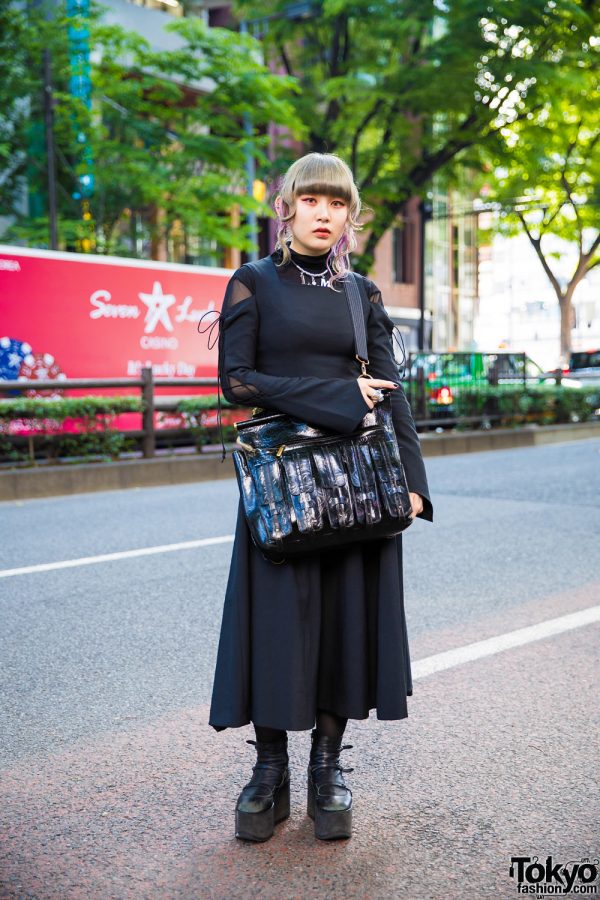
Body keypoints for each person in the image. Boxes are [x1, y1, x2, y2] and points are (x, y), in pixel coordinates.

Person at [206, 152, 433, 843]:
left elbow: (393, 395)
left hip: (358, 485)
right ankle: (269, 770)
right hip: (282, 485)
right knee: (278, 622)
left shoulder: (361, 294)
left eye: (338, 204)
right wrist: (336, 398)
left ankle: (327, 768)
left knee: (344, 623)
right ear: (288, 207)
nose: (324, 215)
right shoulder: (254, 283)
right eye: (312, 201)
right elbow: (236, 384)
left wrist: (416, 484)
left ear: (351, 216)